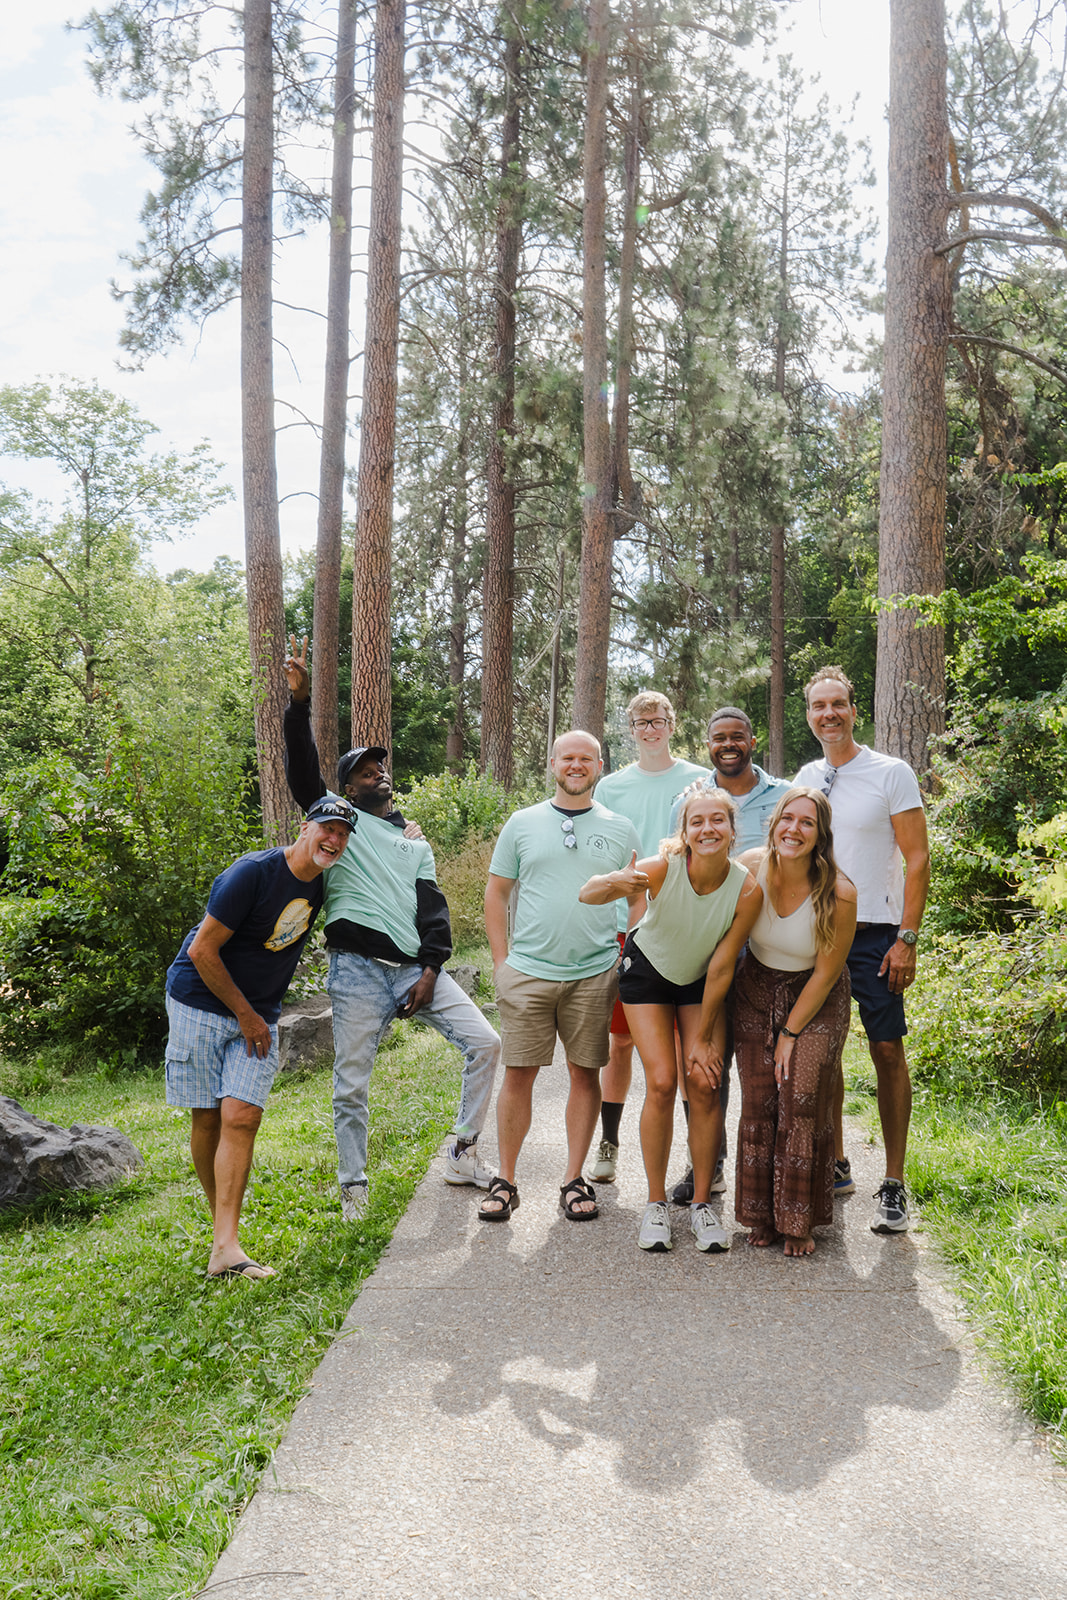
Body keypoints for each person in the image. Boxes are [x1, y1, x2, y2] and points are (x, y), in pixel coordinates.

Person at [282, 640, 500, 1221]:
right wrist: (298, 705)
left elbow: (434, 913)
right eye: (363, 771)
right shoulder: (340, 819)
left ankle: (462, 1150)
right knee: (351, 1084)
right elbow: (303, 772)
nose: (376, 774)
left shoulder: (414, 842)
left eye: (380, 768)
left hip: (412, 970)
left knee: (485, 1043)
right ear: (348, 788)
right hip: (354, 971)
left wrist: (431, 971)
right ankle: (353, 1188)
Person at [165, 794, 358, 1279]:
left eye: (342, 834)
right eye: (326, 829)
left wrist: (408, 837)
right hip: (200, 1001)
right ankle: (224, 1240)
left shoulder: (322, 882)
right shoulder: (251, 873)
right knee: (208, 1119)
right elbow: (203, 951)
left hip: (257, 1013)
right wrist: (246, 1015)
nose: (333, 840)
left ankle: (225, 1245)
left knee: (243, 1115)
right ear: (304, 827)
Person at [579, 789, 762, 1254]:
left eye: (717, 820)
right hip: (648, 972)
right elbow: (589, 893)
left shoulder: (746, 889)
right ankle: (655, 1203)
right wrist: (620, 880)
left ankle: (703, 1204)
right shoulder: (662, 869)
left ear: (731, 829)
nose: (707, 829)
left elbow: (722, 966)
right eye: (697, 822)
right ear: (685, 832)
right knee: (661, 1082)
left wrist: (701, 1039)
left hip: (700, 979)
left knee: (702, 1082)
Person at [479, 730, 643, 1223]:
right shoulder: (522, 823)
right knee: (519, 1074)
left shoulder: (619, 828)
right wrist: (501, 963)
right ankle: (506, 1181)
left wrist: (625, 955)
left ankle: (573, 1178)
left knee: (584, 1073)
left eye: (586, 759)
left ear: (599, 766)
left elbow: (637, 897)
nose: (576, 765)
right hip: (527, 972)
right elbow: (497, 893)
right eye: (567, 758)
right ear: (552, 764)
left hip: (594, 972)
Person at [795, 667, 930, 1234]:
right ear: (809, 716)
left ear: (855, 710)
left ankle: (894, 1184)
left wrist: (906, 938)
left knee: (887, 1052)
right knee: (821, 1054)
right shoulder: (807, 775)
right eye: (819, 706)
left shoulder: (890, 773)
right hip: (820, 930)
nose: (829, 714)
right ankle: (837, 1164)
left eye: (838, 705)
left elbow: (918, 858)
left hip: (876, 934)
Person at [665, 706, 792, 1203]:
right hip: (706, 951)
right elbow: (677, 862)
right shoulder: (691, 799)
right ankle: (707, 1167)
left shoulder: (782, 796)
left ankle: (775, 1174)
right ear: (708, 743)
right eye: (719, 737)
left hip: (769, 952)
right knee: (705, 1063)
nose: (729, 744)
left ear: (753, 740)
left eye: (737, 736)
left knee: (766, 1071)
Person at [590, 691, 711, 1184]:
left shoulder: (698, 779)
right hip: (626, 927)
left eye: (658, 720)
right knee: (619, 1043)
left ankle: (694, 1154)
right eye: (641, 722)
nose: (650, 729)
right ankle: (610, 1142)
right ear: (631, 729)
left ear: (672, 724)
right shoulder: (612, 787)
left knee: (685, 1047)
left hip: (686, 925)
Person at [732, 787, 857, 1256]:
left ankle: (799, 1220)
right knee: (760, 1100)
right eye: (788, 818)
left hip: (816, 997)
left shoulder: (839, 892)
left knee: (802, 1099)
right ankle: (763, 1215)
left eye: (807, 823)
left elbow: (826, 974)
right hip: (755, 989)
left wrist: (789, 1033)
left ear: (820, 835)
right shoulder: (749, 867)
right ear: (774, 823)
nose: (794, 829)